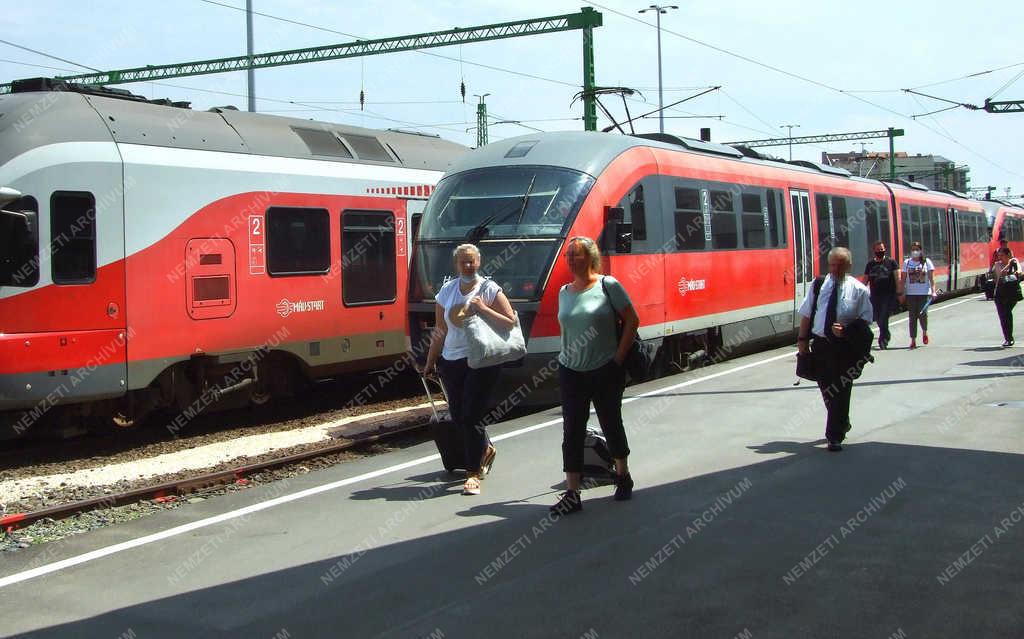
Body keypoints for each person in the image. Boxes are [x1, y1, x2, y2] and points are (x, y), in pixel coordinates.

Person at [550, 236, 638, 514]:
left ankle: (622, 476)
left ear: (590, 257)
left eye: (576, 255)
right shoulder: (564, 292)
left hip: (605, 369)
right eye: (568, 255)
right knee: (572, 432)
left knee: (611, 424)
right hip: (571, 370)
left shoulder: (607, 285)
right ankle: (572, 494)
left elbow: (632, 320)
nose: (571, 260)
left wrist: (618, 359)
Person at [423, 244, 516, 496]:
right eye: (463, 262)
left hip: (481, 361)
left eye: (472, 261)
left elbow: (510, 321)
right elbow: (440, 330)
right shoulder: (446, 291)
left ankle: (472, 473)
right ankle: (485, 448)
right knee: (458, 415)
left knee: (471, 415)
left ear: (479, 262)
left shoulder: (489, 289)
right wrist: (431, 361)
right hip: (451, 360)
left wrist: (484, 308)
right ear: (456, 265)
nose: (468, 265)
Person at [797, 247, 873, 452]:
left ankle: (834, 436)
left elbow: (866, 320)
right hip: (821, 345)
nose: (835, 269)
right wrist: (802, 340)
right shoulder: (819, 285)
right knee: (826, 389)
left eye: (840, 265)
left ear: (849, 266)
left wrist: (846, 330)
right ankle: (842, 421)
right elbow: (806, 314)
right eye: (832, 265)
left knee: (841, 390)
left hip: (845, 348)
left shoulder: (859, 290)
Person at [899, 241, 935, 349]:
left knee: (923, 314)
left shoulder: (927, 262)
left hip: (924, 294)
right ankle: (913, 340)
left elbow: (932, 279)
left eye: (917, 249)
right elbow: (903, 279)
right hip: (911, 295)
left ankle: (924, 332)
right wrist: (902, 292)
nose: (915, 251)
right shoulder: (907, 263)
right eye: (913, 249)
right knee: (912, 317)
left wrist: (933, 291)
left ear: (920, 250)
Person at [863, 240, 899, 349]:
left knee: (883, 316)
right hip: (875, 295)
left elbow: (897, 277)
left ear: (885, 250)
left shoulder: (891, 262)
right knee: (878, 318)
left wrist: (899, 292)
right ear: (874, 251)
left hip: (888, 295)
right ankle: (886, 333)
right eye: (878, 250)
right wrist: (861, 292)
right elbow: (865, 280)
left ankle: (883, 340)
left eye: (882, 249)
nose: (880, 251)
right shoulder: (870, 264)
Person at [992, 247, 1020, 347]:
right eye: (998, 255)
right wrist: (1008, 265)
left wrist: (1013, 266)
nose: (1000, 257)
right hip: (1000, 293)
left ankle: (1009, 338)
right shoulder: (997, 264)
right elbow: (1000, 274)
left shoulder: (1015, 261)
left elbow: (1019, 272)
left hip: (1012, 293)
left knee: (1007, 313)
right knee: (1003, 316)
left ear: (1008, 255)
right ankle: (1008, 338)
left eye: (1002, 255)